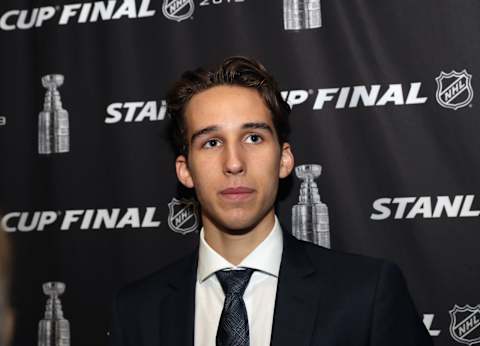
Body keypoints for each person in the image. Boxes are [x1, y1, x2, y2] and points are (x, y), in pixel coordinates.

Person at [109, 56, 433, 346]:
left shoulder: (366, 295)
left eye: (253, 137)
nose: (233, 162)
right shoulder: (138, 311)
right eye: (211, 142)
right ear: (185, 170)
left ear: (284, 160)